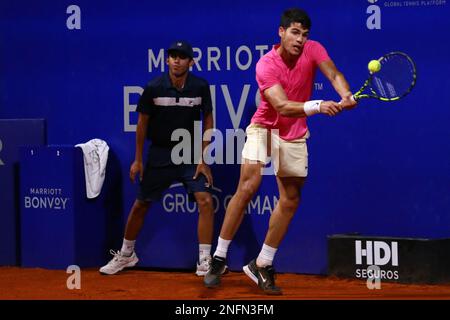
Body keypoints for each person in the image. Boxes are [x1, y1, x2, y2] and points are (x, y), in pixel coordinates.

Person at [203, 8, 357, 294]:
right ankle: (219, 257)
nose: (300, 40)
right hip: (264, 127)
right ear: (281, 32)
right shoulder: (266, 64)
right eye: (295, 32)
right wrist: (319, 105)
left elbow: (333, 73)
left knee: (290, 198)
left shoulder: (314, 49)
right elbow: (282, 106)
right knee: (248, 185)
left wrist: (345, 93)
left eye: (305, 34)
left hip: (294, 133)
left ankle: (263, 263)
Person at [100, 40, 220, 276]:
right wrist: (138, 159)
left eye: (182, 56)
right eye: (172, 56)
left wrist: (203, 158)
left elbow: (208, 120)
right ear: (167, 60)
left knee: (205, 200)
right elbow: (142, 124)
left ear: (191, 62)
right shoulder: (153, 87)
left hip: (188, 153)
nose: (176, 60)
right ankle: (126, 254)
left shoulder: (200, 87)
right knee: (141, 204)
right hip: (160, 153)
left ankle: (205, 260)